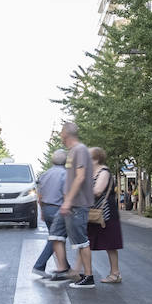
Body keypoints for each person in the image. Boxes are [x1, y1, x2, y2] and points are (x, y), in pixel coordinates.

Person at [54, 121, 96, 289]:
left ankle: (88, 276)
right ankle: (65, 269)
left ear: (66, 133)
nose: (59, 135)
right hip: (70, 205)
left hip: (78, 204)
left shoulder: (79, 150)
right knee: (56, 233)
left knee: (81, 240)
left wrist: (69, 201)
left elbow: (80, 177)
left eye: (61, 132)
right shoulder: (72, 152)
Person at [87, 147, 124, 283]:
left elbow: (97, 191)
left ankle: (115, 274)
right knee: (85, 243)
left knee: (110, 244)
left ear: (96, 159)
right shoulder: (90, 172)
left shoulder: (104, 172)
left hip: (105, 214)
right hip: (92, 213)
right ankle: (83, 271)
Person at [32, 149, 70, 276]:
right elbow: (66, 194)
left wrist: (42, 211)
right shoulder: (65, 174)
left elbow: (40, 195)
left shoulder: (44, 174)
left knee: (58, 239)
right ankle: (39, 266)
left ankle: (65, 267)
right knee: (55, 239)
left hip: (47, 209)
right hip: (59, 210)